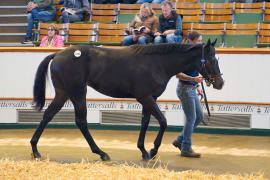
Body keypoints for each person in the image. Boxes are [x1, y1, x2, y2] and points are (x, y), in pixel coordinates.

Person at [172, 31, 204, 158]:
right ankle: (186, 148)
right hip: (184, 88)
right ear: (191, 41)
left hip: (191, 88)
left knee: (199, 117)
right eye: (199, 40)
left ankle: (180, 140)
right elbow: (178, 74)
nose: (201, 43)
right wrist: (194, 80)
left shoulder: (196, 54)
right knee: (191, 118)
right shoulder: (183, 55)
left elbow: (195, 73)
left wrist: (198, 86)